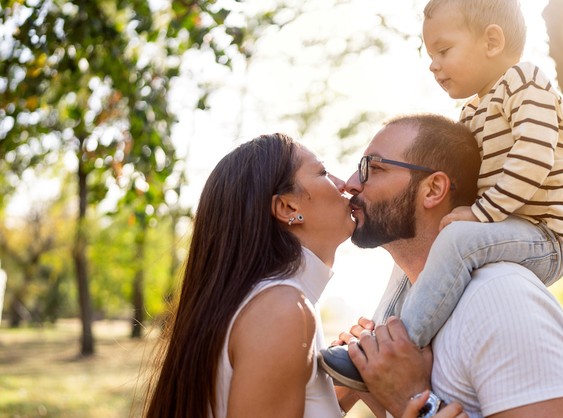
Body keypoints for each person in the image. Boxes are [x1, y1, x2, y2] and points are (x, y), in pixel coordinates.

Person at [321, 0, 563, 390]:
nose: (433, 64)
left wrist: (479, 214)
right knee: (420, 256)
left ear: (492, 41)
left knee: (457, 239)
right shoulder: (473, 111)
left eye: (443, 51)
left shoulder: (527, 84)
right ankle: (375, 342)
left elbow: (533, 158)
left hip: (545, 236)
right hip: (506, 226)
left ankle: (405, 345)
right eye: (430, 54)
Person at [139, 133, 463, 418]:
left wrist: (346, 389)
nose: (345, 184)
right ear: (288, 209)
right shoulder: (282, 308)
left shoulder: (276, 300)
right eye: (322, 172)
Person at [330, 114, 563, 417]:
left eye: (374, 168)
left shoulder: (501, 298)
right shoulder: (402, 309)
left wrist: (412, 398)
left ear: (434, 189)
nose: (351, 183)